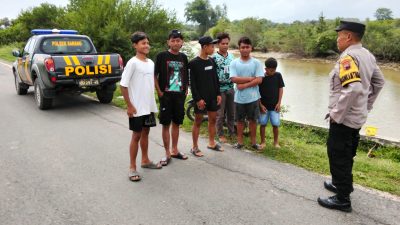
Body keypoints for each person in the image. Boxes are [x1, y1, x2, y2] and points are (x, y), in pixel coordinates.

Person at [317, 20, 385, 212]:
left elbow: (353, 88)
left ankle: (342, 199)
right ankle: (341, 184)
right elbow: (379, 83)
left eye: (339, 35)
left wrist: (336, 115)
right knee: (347, 152)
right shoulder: (367, 55)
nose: (337, 40)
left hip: (345, 118)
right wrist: (367, 105)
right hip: (356, 116)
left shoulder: (348, 57)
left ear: (348, 37)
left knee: (338, 154)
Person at [120, 32, 162, 182]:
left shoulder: (150, 63)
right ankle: (132, 167)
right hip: (136, 108)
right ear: (135, 45)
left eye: (147, 43)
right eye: (143, 43)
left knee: (146, 133)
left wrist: (158, 93)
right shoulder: (132, 63)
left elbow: (152, 80)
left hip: (149, 106)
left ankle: (145, 160)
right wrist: (129, 106)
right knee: (136, 135)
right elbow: (123, 86)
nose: (146, 45)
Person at [154, 29, 189, 166]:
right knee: (165, 124)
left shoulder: (184, 57)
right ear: (168, 42)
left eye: (178, 40)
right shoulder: (162, 56)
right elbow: (154, 75)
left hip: (179, 96)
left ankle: (175, 150)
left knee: (177, 123)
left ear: (182, 42)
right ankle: (167, 153)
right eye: (173, 40)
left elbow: (186, 74)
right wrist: (159, 92)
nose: (175, 42)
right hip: (166, 96)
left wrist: (186, 88)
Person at [189, 36, 222, 157]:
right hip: (201, 98)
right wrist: (198, 99)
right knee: (198, 121)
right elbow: (192, 84)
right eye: (211, 46)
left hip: (212, 96)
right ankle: (194, 147)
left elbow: (215, 79)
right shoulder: (193, 63)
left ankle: (212, 143)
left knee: (212, 120)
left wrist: (218, 93)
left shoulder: (211, 61)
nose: (213, 48)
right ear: (204, 47)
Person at [230, 36, 264, 150]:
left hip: (253, 98)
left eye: (247, 47)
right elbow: (234, 79)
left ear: (251, 48)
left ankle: (254, 143)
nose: (245, 49)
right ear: (239, 48)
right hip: (239, 99)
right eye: (242, 47)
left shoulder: (257, 62)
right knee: (239, 121)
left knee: (253, 121)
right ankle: (240, 142)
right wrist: (250, 79)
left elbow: (259, 80)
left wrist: (244, 85)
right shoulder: (234, 63)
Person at [212, 32, 235, 143]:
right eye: (223, 43)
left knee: (231, 112)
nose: (225, 45)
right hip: (219, 90)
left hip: (231, 88)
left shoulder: (232, 57)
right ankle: (220, 134)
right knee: (220, 114)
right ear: (218, 44)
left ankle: (231, 132)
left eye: (227, 43)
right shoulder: (213, 58)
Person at [258, 57, 284, 149]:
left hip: (274, 106)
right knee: (263, 123)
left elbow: (281, 89)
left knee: (276, 124)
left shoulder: (278, 75)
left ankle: (276, 142)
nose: (273, 72)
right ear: (265, 69)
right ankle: (262, 142)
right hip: (264, 106)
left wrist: (279, 103)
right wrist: (260, 105)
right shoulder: (261, 78)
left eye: (274, 70)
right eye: (271, 70)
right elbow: (257, 92)